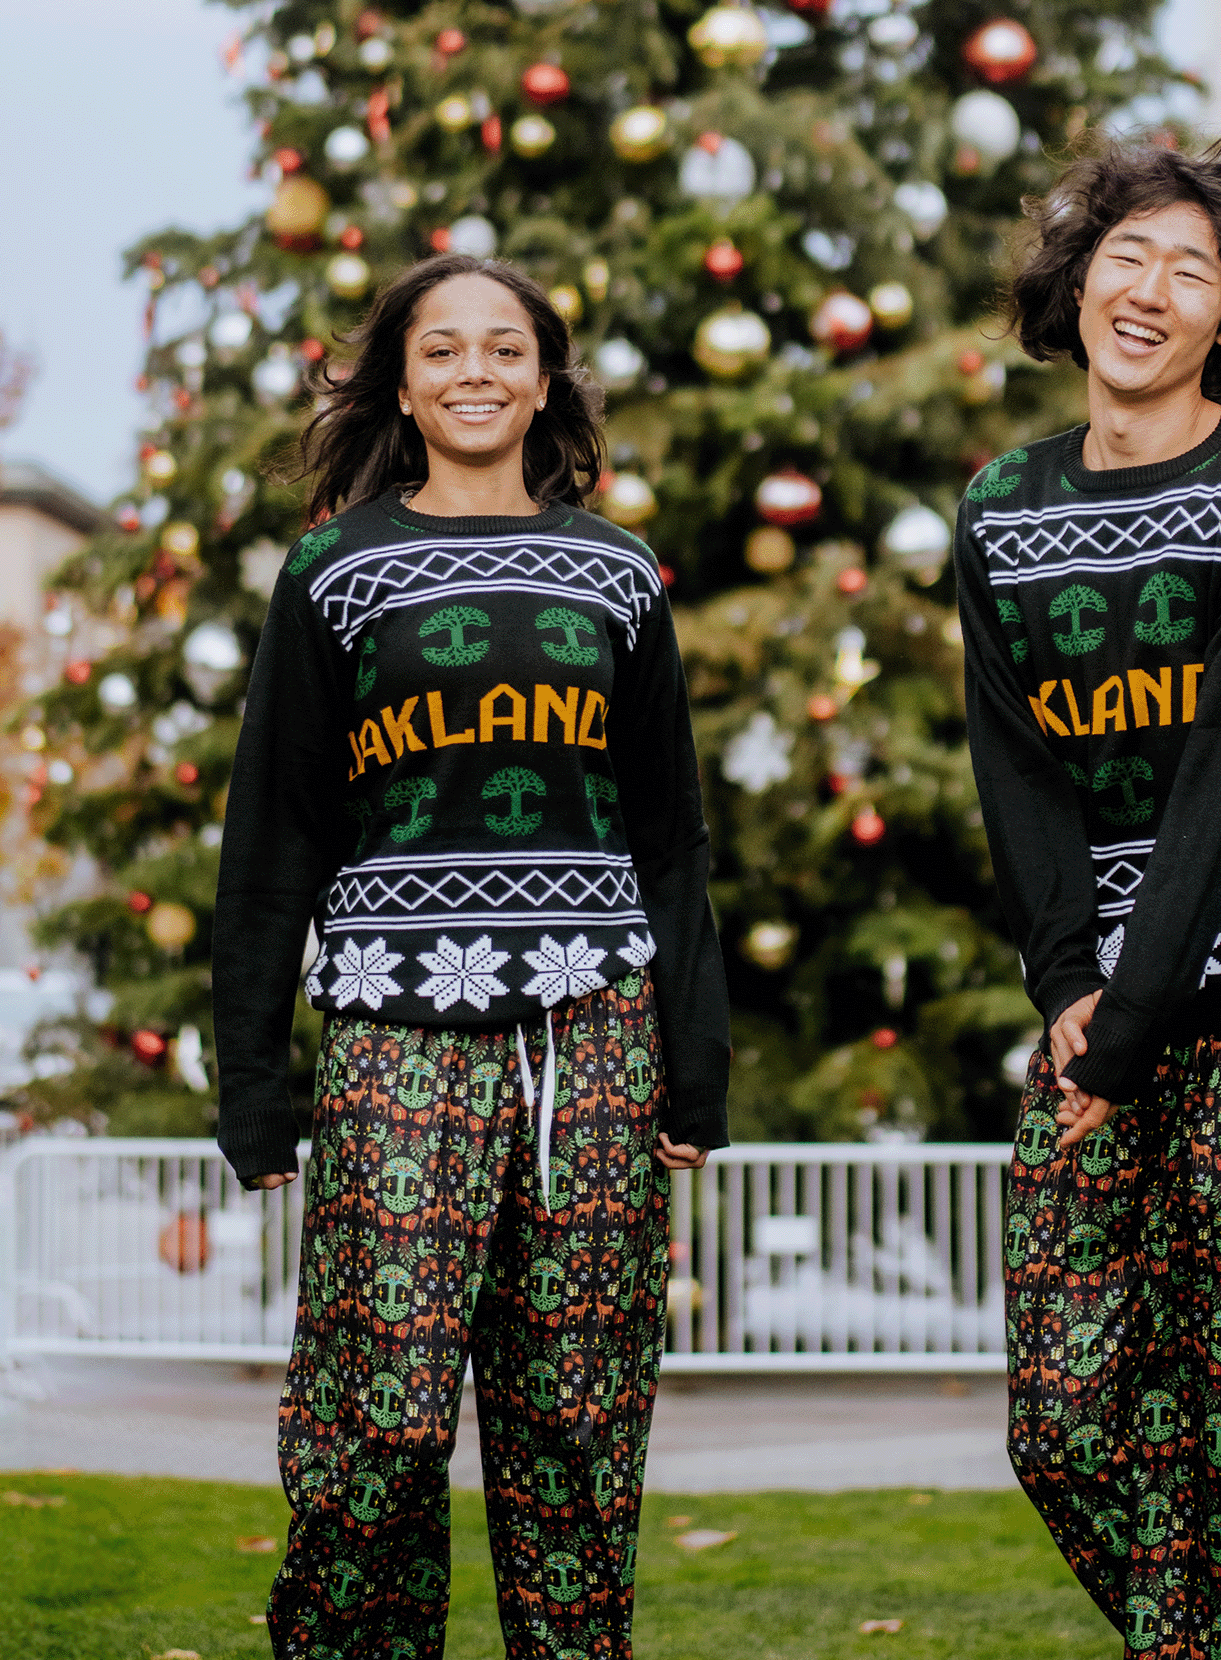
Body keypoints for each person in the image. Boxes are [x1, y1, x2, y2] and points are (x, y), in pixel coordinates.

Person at [212, 253, 730, 1660]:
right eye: (444, 350)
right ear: (400, 381)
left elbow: (671, 836)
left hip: (595, 1038)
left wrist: (697, 1068)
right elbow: (273, 837)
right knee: (376, 1421)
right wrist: (251, 1082)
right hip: (397, 1034)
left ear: (547, 378)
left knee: (577, 1414)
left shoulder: (618, 573)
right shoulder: (337, 570)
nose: (477, 373)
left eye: (507, 348)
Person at [957, 137, 1221, 1660]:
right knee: (1063, 1423)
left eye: (1191, 272)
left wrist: (1131, 1018)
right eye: (1127, 257)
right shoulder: (1003, 503)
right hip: (1094, 1017)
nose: (1149, 291)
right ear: (1077, 285)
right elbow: (1016, 764)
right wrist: (1070, 985)